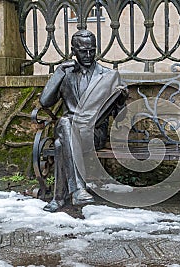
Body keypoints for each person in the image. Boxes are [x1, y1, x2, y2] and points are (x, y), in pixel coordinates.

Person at [39, 29, 127, 212]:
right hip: (70, 128)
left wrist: (121, 101)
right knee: (66, 124)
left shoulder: (109, 76)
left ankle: (59, 197)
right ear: (73, 50)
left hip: (93, 133)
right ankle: (78, 189)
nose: (88, 55)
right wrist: (59, 72)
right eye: (83, 51)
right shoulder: (66, 74)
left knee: (59, 144)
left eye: (92, 50)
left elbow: (121, 118)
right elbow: (45, 101)